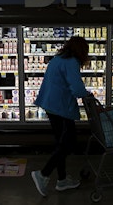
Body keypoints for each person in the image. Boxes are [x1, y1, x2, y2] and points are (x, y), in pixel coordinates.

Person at [31, 36, 91, 197]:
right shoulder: (71, 62)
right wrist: (87, 94)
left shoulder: (58, 58)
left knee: (61, 143)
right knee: (69, 143)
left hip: (51, 105)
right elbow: (77, 88)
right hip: (60, 107)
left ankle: (62, 180)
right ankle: (43, 174)